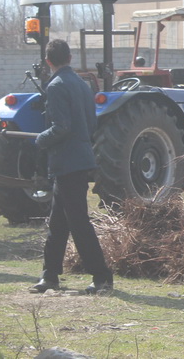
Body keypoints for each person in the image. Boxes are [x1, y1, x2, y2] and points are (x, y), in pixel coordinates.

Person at [28, 39, 113, 295]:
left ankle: (102, 277)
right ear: (71, 57)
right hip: (79, 158)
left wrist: (40, 139)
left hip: (66, 162)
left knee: (78, 223)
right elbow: (90, 124)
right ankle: (50, 275)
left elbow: (60, 127)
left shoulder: (55, 86)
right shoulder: (80, 84)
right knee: (58, 222)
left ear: (47, 61)